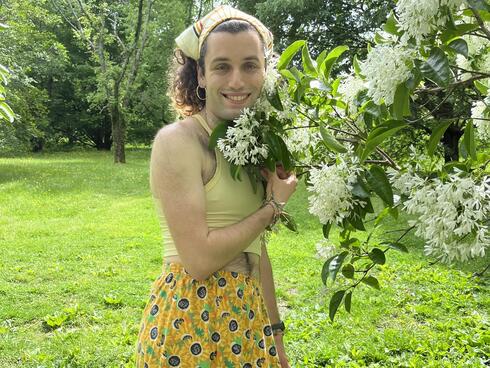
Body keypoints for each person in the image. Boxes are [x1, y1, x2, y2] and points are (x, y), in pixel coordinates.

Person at [135, 5, 298, 367]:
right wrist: (273, 207)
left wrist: (276, 338)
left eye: (250, 65)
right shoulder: (179, 141)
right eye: (222, 66)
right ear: (201, 76)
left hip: (248, 318)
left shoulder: (254, 147)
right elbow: (199, 259)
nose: (237, 81)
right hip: (189, 318)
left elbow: (258, 254)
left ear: (265, 73)